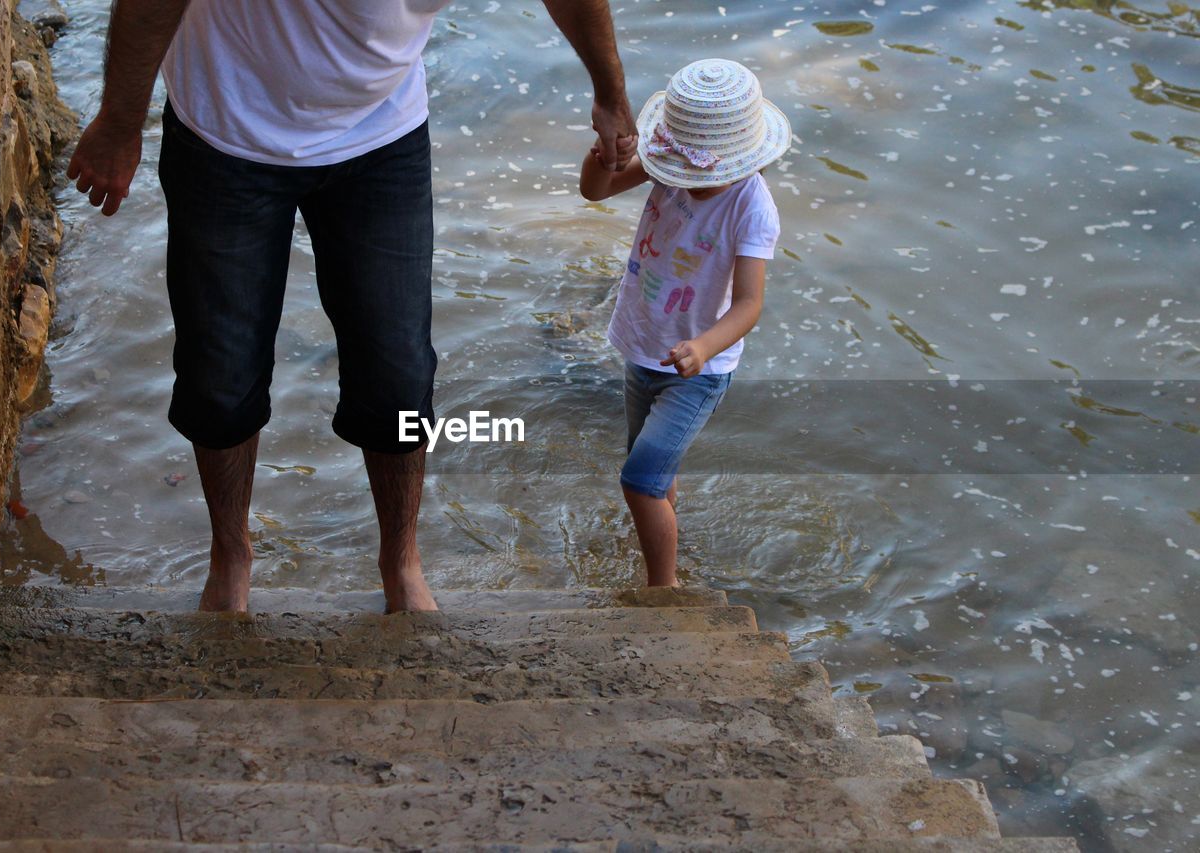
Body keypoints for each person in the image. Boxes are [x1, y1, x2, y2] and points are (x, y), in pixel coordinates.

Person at [65, 1, 638, 614]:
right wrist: (122, 121)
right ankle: (230, 558)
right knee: (218, 375)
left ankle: (401, 562)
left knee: (398, 376)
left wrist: (610, 92)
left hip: (381, 136)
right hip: (226, 129)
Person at [578, 58, 791, 587]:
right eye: (684, 176)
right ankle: (661, 541)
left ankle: (664, 587)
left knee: (640, 480)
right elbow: (596, 191)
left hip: (700, 371)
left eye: (704, 179)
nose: (689, 185)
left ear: (741, 163)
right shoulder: (670, 162)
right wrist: (603, 157)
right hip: (642, 344)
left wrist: (702, 347)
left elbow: (748, 304)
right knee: (652, 469)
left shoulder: (752, 210)